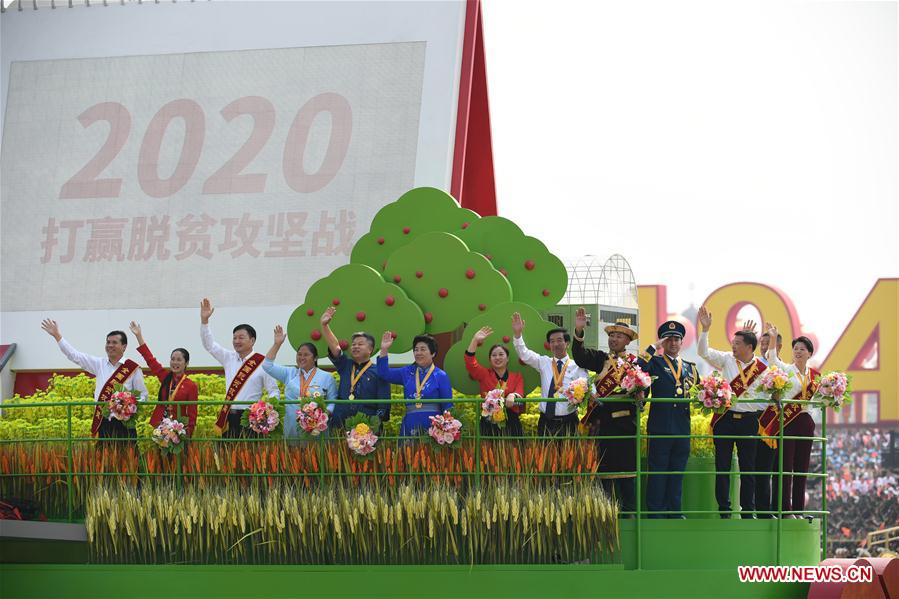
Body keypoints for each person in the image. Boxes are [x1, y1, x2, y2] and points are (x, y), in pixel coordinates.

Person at [697, 306, 770, 519]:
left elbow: (768, 397)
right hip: (726, 419)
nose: (733, 346)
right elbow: (704, 352)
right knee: (723, 467)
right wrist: (705, 330)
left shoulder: (763, 369)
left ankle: (748, 511)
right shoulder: (727, 360)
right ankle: (724, 510)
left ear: (750, 347)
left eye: (737, 344)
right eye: (733, 343)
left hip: (750, 421)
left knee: (748, 470)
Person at [571, 309, 641, 516]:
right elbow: (580, 357)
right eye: (611, 335)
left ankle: (629, 515)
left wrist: (641, 394)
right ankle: (606, 516)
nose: (614, 339)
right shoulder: (601, 359)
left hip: (627, 425)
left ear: (627, 341)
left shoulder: (635, 363)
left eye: (619, 336)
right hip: (603, 424)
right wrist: (579, 329)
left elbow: (644, 389)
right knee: (604, 473)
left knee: (628, 474)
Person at [41, 319, 148, 442]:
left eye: (114, 342)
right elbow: (75, 355)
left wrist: (128, 407)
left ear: (124, 347)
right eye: (108, 342)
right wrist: (57, 335)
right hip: (103, 421)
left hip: (126, 423)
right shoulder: (99, 364)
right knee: (103, 459)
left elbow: (143, 395)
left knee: (127, 459)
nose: (110, 345)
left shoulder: (132, 368)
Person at [635, 320, 700, 519]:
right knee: (658, 471)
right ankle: (655, 511)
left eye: (676, 339)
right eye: (668, 339)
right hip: (660, 425)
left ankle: (675, 510)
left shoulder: (690, 367)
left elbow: (700, 391)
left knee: (677, 471)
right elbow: (637, 366)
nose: (673, 343)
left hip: (682, 427)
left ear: (682, 342)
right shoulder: (655, 362)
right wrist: (654, 346)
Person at [761, 324, 820, 518]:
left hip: (806, 422)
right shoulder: (786, 369)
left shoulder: (815, 376)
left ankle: (798, 510)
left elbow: (821, 400)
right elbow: (772, 358)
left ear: (809, 353)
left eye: (802, 349)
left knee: (802, 468)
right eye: (795, 349)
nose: (798, 352)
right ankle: (785, 510)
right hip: (788, 421)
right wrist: (773, 338)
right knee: (785, 468)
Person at [199, 298, 279, 438]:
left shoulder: (262, 363)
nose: (236, 341)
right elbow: (210, 345)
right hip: (229, 417)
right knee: (229, 457)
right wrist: (205, 322)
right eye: (234, 338)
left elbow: (273, 391)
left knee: (250, 458)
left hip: (252, 418)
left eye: (241, 337)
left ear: (252, 340)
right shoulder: (228, 358)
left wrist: (266, 411)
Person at [511, 312, 588, 437]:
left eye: (559, 340)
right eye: (552, 341)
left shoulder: (577, 366)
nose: (555, 344)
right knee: (545, 455)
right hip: (546, 421)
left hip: (569, 420)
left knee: (569, 455)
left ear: (567, 343)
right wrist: (518, 334)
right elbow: (524, 353)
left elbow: (588, 387)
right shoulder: (543, 362)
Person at [319, 307, 390, 430]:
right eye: (353, 344)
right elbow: (335, 346)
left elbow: (384, 402)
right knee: (336, 450)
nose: (355, 347)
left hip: (366, 426)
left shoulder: (379, 371)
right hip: (340, 423)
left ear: (370, 349)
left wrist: (375, 424)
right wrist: (324, 326)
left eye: (360, 344)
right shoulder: (346, 364)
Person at [262, 325, 337, 439]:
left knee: (316, 456)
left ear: (315, 358)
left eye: (306, 355)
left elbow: (333, 402)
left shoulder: (327, 377)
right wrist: (277, 344)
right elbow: (267, 365)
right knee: (293, 456)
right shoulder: (289, 373)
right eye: (299, 354)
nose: (301, 357)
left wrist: (324, 414)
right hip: (292, 426)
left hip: (316, 429)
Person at [129, 322, 198, 439]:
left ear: (186, 363)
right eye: (173, 359)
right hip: (160, 427)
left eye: (179, 360)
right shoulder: (166, 376)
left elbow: (192, 413)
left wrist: (187, 434)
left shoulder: (191, 386)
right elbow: (150, 360)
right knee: (160, 457)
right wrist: (139, 336)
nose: (175, 362)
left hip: (179, 431)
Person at [377, 332, 452, 436]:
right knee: (408, 452)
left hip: (434, 426)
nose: (418, 353)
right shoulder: (406, 372)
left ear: (433, 353)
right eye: (416, 350)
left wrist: (447, 429)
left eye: (423, 349)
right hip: (410, 423)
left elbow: (448, 406)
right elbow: (383, 373)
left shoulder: (441, 375)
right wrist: (384, 349)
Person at [464, 326, 525, 437]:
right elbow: (470, 362)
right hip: (489, 420)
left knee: (513, 452)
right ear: (490, 360)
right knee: (488, 453)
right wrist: (475, 340)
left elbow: (519, 393)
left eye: (501, 354)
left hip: (511, 420)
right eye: (494, 355)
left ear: (507, 359)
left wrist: (513, 395)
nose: (497, 358)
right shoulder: (484, 375)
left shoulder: (516, 377)